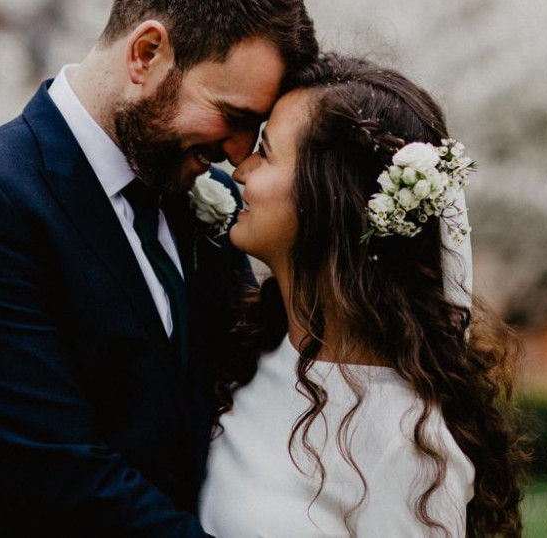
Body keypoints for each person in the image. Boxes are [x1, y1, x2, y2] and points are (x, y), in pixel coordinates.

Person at [0, 0, 317, 536]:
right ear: (147, 53)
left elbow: (229, 392)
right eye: (232, 116)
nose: (235, 153)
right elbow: (53, 473)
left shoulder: (203, 199)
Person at [200, 55, 527, 536]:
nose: (241, 168)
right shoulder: (249, 351)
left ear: (330, 200)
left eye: (266, 152)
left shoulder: (408, 442)